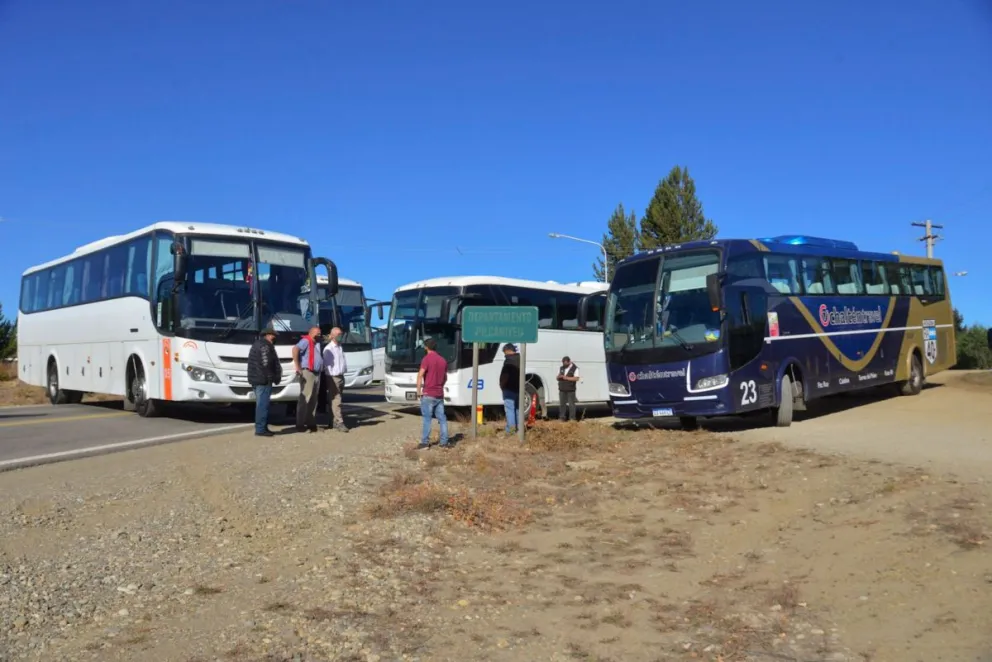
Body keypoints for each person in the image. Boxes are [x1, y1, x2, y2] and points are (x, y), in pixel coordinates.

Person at [415, 337, 450, 449]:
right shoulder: (443, 360)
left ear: (426, 347)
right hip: (439, 394)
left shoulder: (426, 359)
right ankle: (444, 442)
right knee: (442, 418)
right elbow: (445, 378)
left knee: (427, 419)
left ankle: (425, 442)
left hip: (428, 393)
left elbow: (420, 375)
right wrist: (440, 386)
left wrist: (418, 391)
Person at [247, 325, 281, 437]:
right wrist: (273, 377)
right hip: (263, 380)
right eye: (274, 335)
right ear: (268, 335)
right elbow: (267, 364)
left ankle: (262, 427)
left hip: (258, 378)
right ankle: (261, 429)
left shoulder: (258, 344)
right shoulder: (265, 346)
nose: (275, 338)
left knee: (261, 404)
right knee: (263, 405)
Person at [292, 325, 323, 432]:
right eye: (317, 333)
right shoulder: (306, 341)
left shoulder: (316, 343)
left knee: (314, 399)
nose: (319, 335)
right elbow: (295, 349)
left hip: (316, 373)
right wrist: (297, 366)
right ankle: (300, 424)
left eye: (320, 333)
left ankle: (311, 423)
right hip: (308, 372)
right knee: (305, 398)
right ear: (311, 333)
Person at [322, 326, 348, 432]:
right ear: (332, 335)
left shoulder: (340, 347)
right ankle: (339, 422)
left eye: (341, 334)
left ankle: (332, 421)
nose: (340, 336)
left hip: (341, 376)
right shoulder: (329, 349)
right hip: (333, 377)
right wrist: (332, 379)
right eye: (338, 334)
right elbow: (327, 366)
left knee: (336, 399)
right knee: (336, 399)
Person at [498, 343, 521, 435]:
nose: (504, 354)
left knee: (510, 409)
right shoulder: (519, 359)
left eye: (504, 352)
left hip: (509, 388)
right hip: (518, 388)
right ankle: (519, 429)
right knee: (517, 410)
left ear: (508, 350)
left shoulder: (508, 361)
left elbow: (505, 376)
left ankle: (510, 430)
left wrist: (502, 385)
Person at [556, 355, 580, 422]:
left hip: (571, 389)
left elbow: (577, 378)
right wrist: (559, 376)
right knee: (562, 404)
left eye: (566, 364)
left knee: (571, 404)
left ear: (569, 362)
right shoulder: (561, 368)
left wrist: (566, 378)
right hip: (562, 389)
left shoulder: (575, 368)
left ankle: (572, 418)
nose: (564, 365)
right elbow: (557, 378)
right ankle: (562, 417)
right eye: (563, 364)